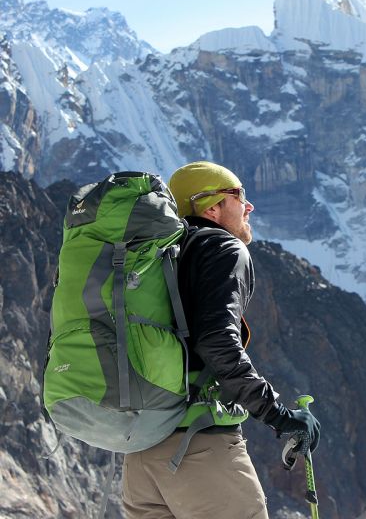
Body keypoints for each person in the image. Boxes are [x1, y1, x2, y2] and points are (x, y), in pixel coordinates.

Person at [122, 161, 321, 519]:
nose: (249, 206)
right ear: (211, 206)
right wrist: (279, 415)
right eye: (238, 195)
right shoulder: (222, 248)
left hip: (141, 454)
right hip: (198, 450)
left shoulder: (158, 257)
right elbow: (216, 339)